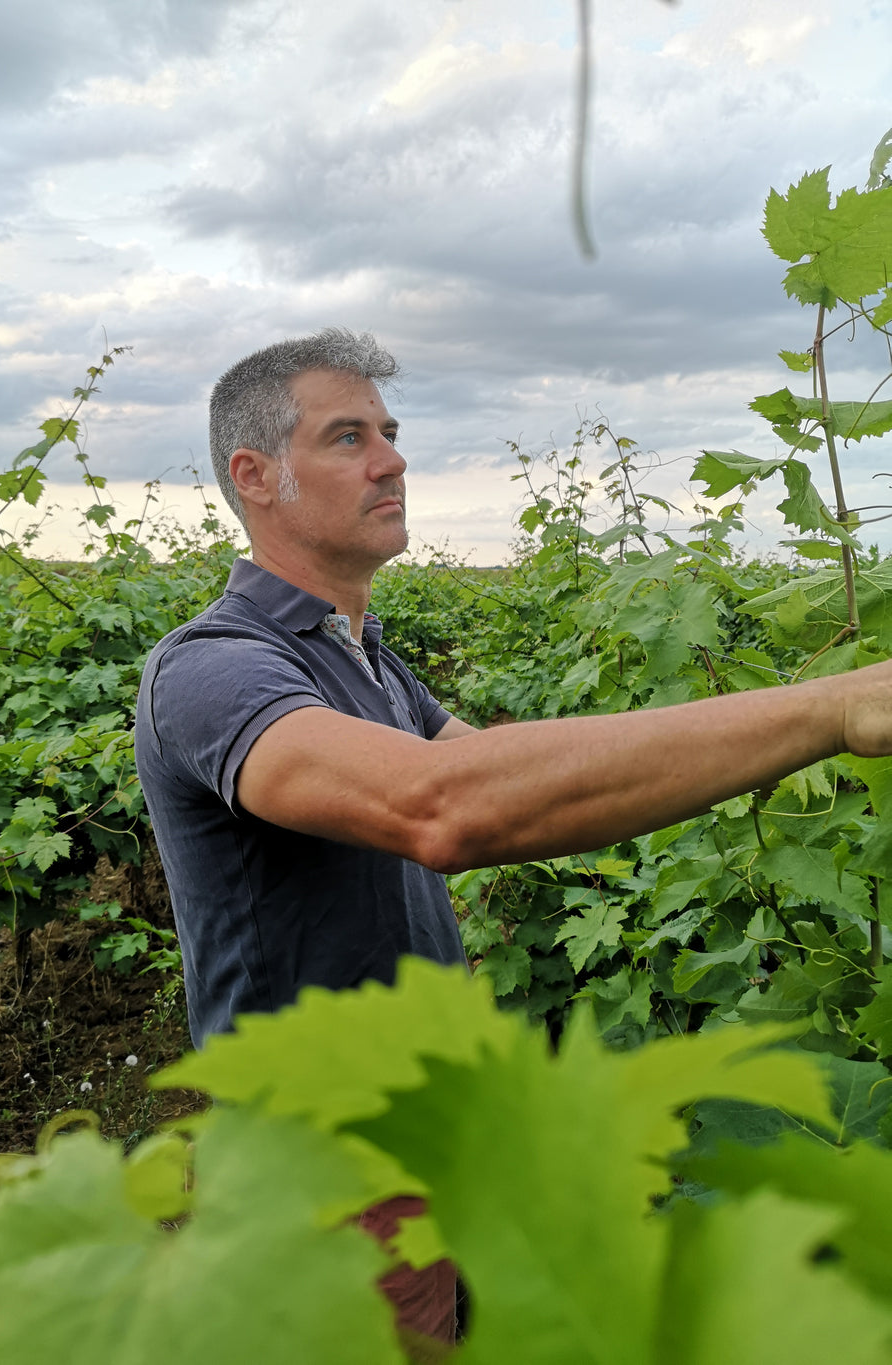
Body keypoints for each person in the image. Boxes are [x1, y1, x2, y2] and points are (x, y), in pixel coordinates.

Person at [134, 326, 892, 1344]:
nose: (393, 459)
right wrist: (828, 709)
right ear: (255, 475)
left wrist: (777, 732)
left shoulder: (368, 663)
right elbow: (445, 806)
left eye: (391, 433)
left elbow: (524, 782)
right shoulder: (212, 669)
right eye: (349, 436)